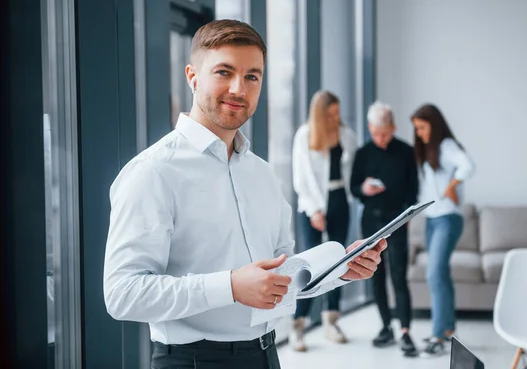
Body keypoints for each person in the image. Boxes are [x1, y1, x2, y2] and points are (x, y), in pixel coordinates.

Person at [103, 19, 386, 369]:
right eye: (224, 72)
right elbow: (122, 294)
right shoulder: (153, 172)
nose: (239, 88)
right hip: (192, 362)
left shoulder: (263, 174)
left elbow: (282, 276)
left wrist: (340, 270)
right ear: (192, 77)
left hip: (266, 355)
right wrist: (231, 286)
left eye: (252, 76)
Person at [350, 101, 419, 357]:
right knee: (375, 276)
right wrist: (364, 189)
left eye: (386, 133)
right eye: (377, 133)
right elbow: (354, 188)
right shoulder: (363, 153)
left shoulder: (406, 151)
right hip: (371, 221)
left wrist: (408, 211)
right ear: (370, 128)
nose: (381, 138)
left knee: (399, 276)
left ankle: (405, 331)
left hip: (397, 221)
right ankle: (385, 327)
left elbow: (414, 189)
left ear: (393, 127)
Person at [290, 90, 357, 351]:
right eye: (331, 114)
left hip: (340, 198)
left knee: (339, 260)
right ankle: (299, 323)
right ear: (320, 113)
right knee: (309, 265)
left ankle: (331, 320)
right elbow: (301, 178)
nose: (336, 118)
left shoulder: (346, 134)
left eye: (338, 112)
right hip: (312, 206)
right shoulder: (304, 135)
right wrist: (315, 209)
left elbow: (353, 169)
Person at [410, 103, 475, 357]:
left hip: (448, 219)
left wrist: (453, 186)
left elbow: (468, 165)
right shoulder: (430, 150)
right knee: (441, 275)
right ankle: (447, 329)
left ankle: (437, 336)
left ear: (434, 125)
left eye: (422, 127)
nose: (419, 133)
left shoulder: (447, 146)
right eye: (416, 129)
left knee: (434, 274)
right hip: (432, 219)